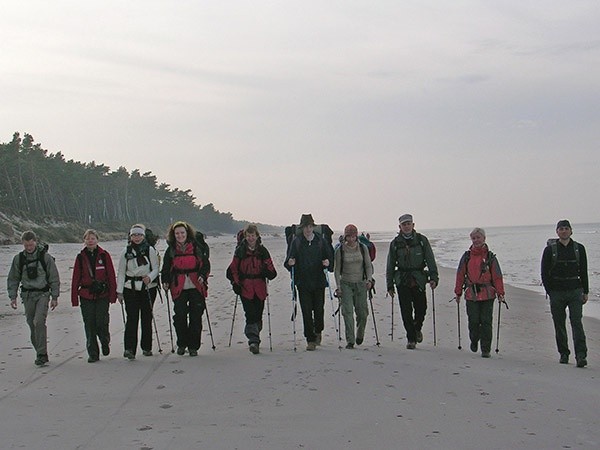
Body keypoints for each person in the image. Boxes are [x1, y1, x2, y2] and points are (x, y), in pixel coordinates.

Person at [7, 230, 60, 366]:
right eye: (26, 245)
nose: (29, 248)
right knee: (31, 324)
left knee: (39, 322)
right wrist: (13, 297)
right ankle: (40, 352)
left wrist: (54, 296)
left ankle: (41, 354)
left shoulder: (45, 257)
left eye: (31, 245)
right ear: (23, 244)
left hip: (43, 294)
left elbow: (54, 277)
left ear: (35, 242)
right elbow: (13, 278)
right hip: (27, 295)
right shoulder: (19, 259)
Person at [386, 214, 439, 349]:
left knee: (422, 308)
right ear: (400, 227)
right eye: (404, 224)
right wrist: (389, 285)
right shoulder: (395, 243)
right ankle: (411, 339)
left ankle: (417, 328)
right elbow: (390, 265)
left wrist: (434, 277)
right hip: (402, 280)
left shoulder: (422, 240)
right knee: (406, 310)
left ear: (413, 225)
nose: (406, 226)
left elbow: (430, 259)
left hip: (418, 278)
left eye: (408, 223)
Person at [541, 219, 589, 367]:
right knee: (559, 324)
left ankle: (581, 355)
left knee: (577, 322)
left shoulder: (579, 248)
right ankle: (564, 353)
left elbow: (584, 271)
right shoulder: (550, 250)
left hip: (575, 291)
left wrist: (586, 291)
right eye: (561, 229)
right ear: (557, 232)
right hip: (557, 292)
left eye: (566, 228)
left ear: (571, 231)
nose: (564, 231)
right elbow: (544, 272)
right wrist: (549, 291)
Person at [454, 228, 505, 358]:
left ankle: (485, 349)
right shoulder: (466, 257)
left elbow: (497, 276)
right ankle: (474, 339)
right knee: (473, 321)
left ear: (484, 238)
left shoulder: (491, 257)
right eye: (474, 238)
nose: (476, 240)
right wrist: (458, 292)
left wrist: (500, 293)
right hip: (471, 294)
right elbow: (460, 274)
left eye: (478, 237)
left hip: (488, 294)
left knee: (486, 322)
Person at [161, 221, 210, 356]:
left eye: (182, 232)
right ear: (173, 235)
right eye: (177, 233)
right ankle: (182, 344)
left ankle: (193, 346)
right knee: (180, 316)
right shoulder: (171, 250)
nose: (180, 235)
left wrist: (202, 276)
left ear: (187, 233)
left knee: (196, 317)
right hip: (179, 287)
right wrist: (165, 281)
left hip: (196, 286)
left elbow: (205, 264)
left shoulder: (196, 247)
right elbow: (166, 268)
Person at [227, 224, 277, 354]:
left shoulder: (263, 251)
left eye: (253, 235)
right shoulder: (240, 251)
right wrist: (236, 283)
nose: (250, 238)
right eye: (248, 236)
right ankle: (254, 341)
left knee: (258, 314)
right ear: (245, 236)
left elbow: (272, 270)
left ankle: (255, 333)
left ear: (257, 236)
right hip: (245, 287)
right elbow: (233, 269)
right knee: (250, 314)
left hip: (260, 288)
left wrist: (267, 272)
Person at [284, 214, 332, 351]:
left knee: (319, 310)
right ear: (302, 228)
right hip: (303, 282)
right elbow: (288, 261)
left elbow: (329, 258)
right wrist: (290, 263)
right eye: (305, 227)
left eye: (310, 226)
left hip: (318, 282)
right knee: (306, 312)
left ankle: (318, 331)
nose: (308, 230)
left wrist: (327, 262)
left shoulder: (320, 241)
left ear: (313, 227)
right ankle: (310, 340)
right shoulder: (297, 242)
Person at [71, 229, 117, 363]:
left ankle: (104, 340)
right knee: (89, 324)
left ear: (97, 240)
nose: (90, 241)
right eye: (87, 239)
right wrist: (74, 299)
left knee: (101, 321)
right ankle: (93, 353)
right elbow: (75, 278)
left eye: (92, 238)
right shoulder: (80, 257)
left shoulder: (104, 255)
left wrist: (113, 295)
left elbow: (111, 275)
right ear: (84, 241)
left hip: (103, 294)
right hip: (86, 295)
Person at [116, 224, 160, 360]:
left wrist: (150, 277)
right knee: (132, 318)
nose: (137, 237)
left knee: (147, 318)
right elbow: (121, 272)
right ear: (130, 236)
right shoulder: (125, 252)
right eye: (134, 235)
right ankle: (129, 349)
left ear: (143, 236)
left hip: (148, 287)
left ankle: (146, 347)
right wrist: (119, 291)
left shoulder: (150, 250)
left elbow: (156, 268)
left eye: (139, 235)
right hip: (130, 288)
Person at [334, 224, 374, 349]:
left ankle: (360, 334)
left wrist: (369, 279)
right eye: (348, 236)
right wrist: (338, 286)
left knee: (362, 313)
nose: (351, 239)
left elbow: (368, 265)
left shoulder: (362, 248)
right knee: (347, 313)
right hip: (345, 283)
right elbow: (336, 270)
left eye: (353, 236)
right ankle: (350, 340)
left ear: (356, 236)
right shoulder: (340, 250)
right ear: (345, 236)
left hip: (361, 283)